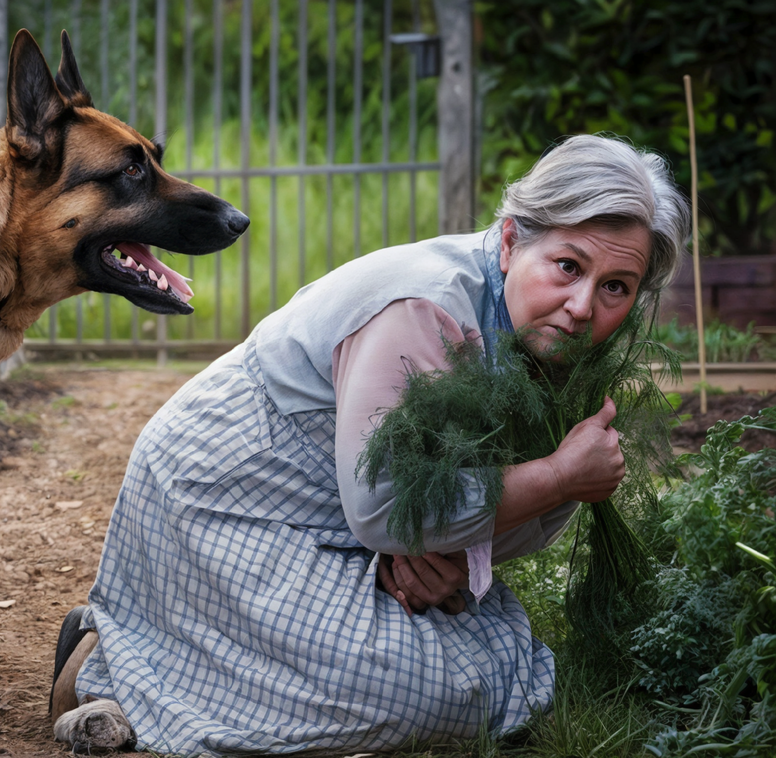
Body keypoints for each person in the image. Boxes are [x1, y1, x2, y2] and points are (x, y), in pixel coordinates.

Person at [49, 134, 690, 755]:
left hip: (342, 516)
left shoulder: (547, 340)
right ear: (510, 240)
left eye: (615, 287)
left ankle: (169, 642)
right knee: (455, 690)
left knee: (481, 663)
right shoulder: (425, 308)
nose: (582, 307)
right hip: (227, 497)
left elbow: (446, 512)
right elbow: (388, 510)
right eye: (568, 266)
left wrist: (438, 550)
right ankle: (109, 663)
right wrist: (555, 478)